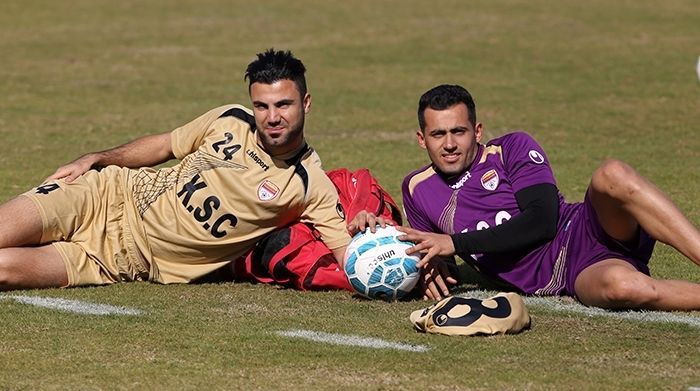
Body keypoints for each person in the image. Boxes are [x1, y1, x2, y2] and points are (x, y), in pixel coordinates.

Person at [0, 48, 353, 291]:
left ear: (306, 103)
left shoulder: (310, 185)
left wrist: (377, 238)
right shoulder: (229, 119)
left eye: (283, 104)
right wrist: (96, 158)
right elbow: (165, 145)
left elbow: (349, 258)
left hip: (117, 261)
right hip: (103, 196)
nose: (272, 117)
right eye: (261, 105)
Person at [397, 84, 700, 311]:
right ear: (422, 139)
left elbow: (542, 221)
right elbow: (438, 261)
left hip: (584, 228)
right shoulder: (416, 188)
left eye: (458, 131)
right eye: (438, 134)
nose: (449, 144)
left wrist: (456, 243)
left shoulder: (511, 148)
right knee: (624, 288)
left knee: (612, 174)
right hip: (568, 274)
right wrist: (371, 225)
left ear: (477, 132)